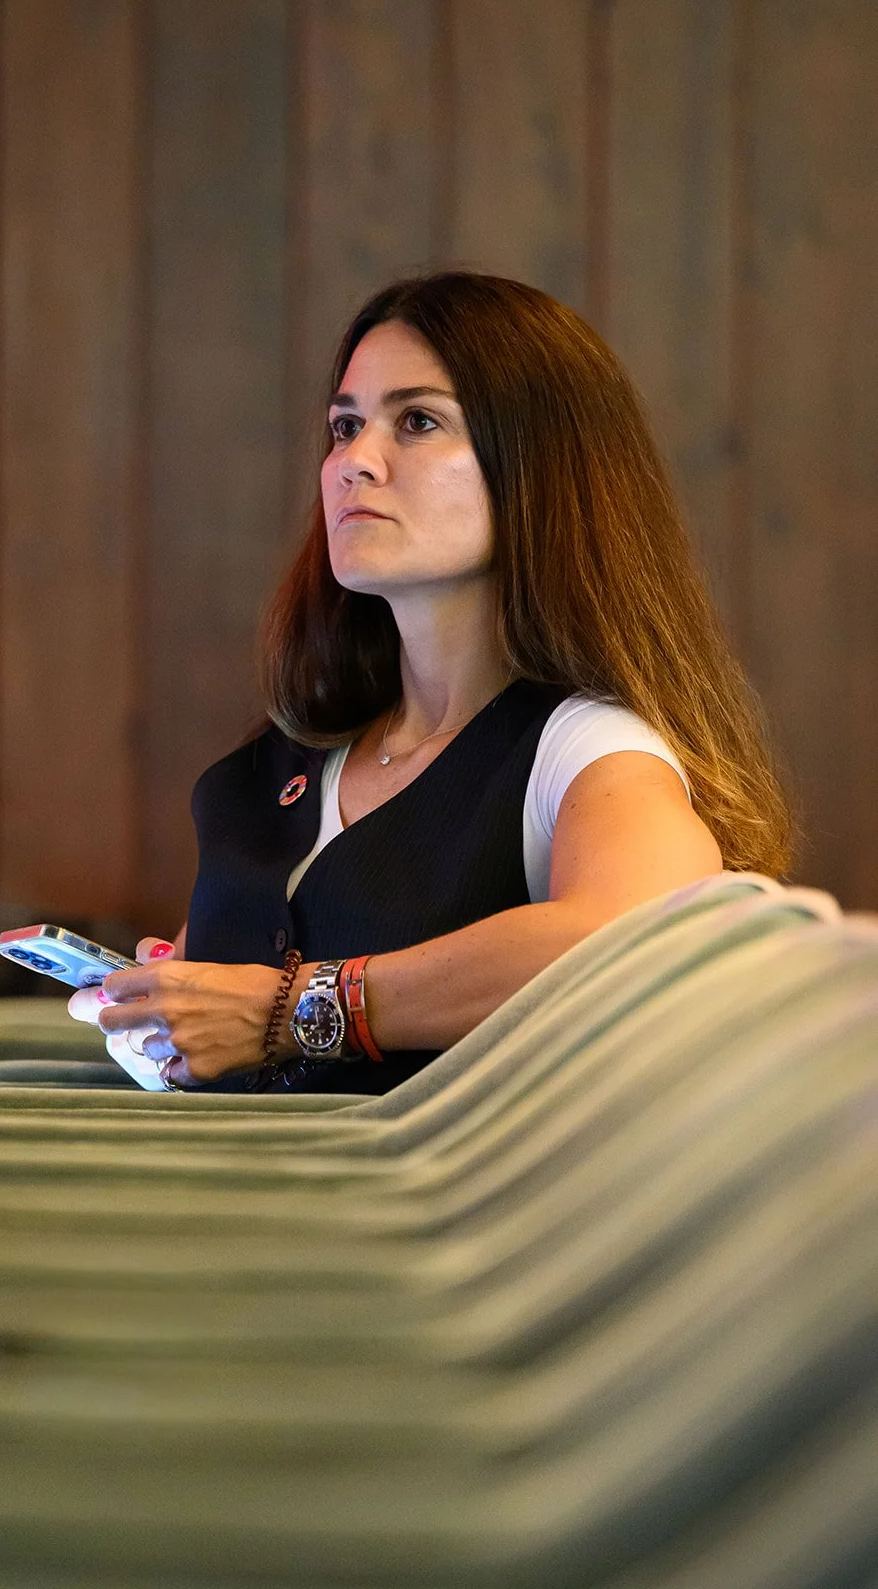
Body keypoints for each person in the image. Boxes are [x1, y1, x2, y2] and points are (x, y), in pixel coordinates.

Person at [68, 271, 792, 1096]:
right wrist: (165, 1005)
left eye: (416, 422)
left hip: (405, 1220)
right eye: (345, 426)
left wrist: (295, 1006)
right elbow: (214, 999)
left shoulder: (584, 745)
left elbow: (649, 934)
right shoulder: (296, 754)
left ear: (540, 467)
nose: (353, 463)